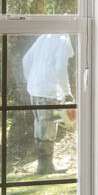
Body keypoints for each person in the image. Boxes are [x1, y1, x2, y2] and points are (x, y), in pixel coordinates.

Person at [21, 34, 74, 175]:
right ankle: (45, 166)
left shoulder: (43, 37)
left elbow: (26, 60)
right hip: (50, 91)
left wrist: (31, 80)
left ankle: (45, 163)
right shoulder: (62, 40)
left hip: (35, 90)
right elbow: (61, 68)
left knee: (40, 125)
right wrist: (67, 91)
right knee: (49, 128)